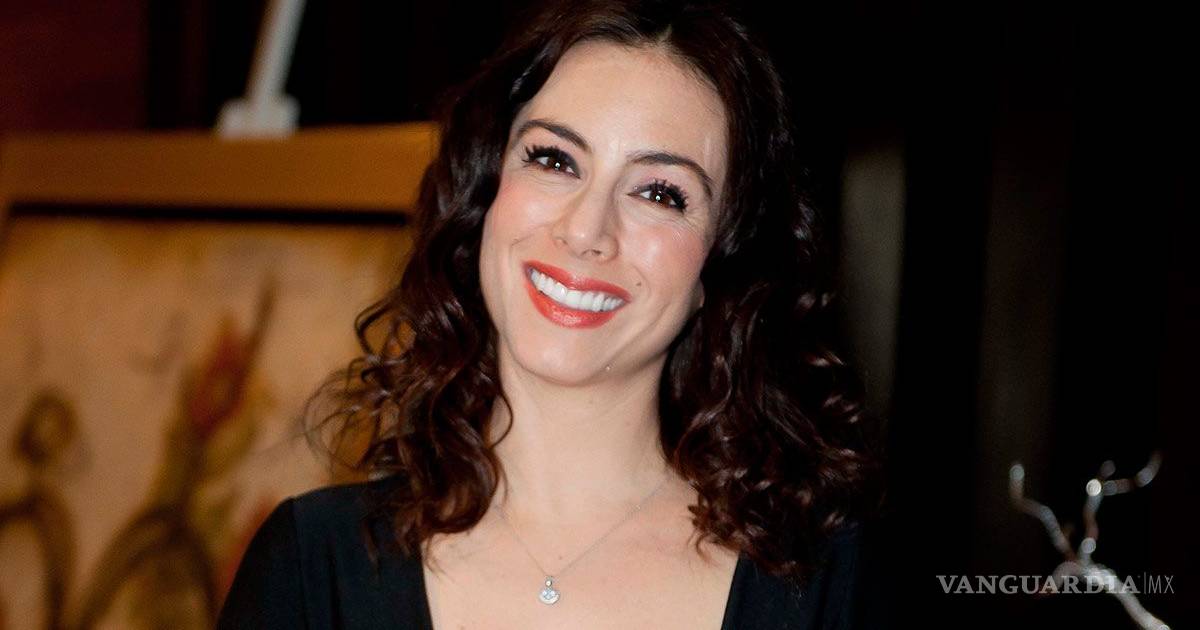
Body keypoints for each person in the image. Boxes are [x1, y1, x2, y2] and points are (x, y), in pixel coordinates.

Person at [218, 0, 884, 627]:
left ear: (722, 261)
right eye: (554, 159)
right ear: (487, 190)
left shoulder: (833, 581)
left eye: (660, 193)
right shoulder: (308, 568)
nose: (586, 230)